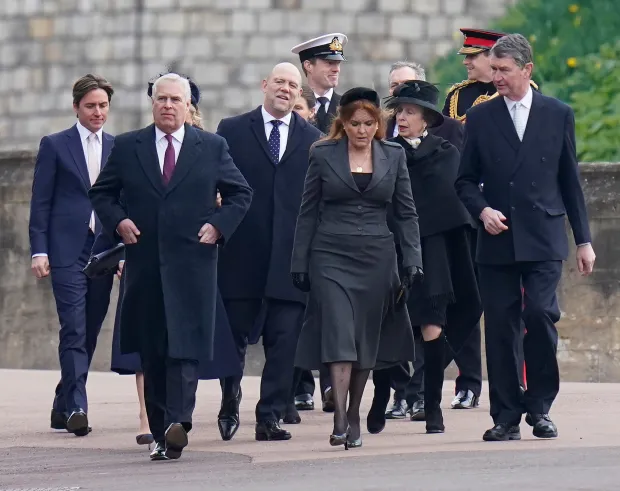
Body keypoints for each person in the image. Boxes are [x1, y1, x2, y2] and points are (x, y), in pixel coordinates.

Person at [88, 72, 252, 461]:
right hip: (145, 268)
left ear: (188, 106)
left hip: (192, 266)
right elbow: (102, 192)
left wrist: (217, 226)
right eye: (161, 99)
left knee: (184, 351)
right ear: (152, 103)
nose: (167, 105)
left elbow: (240, 193)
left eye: (175, 100)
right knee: (154, 351)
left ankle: (179, 422)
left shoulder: (211, 147)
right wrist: (118, 221)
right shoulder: (129, 147)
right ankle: (163, 433)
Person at [455, 34, 595, 442]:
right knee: (499, 327)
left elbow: (570, 180)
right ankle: (505, 416)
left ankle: (540, 406)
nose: (495, 77)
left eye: (503, 70)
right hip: (496, 238)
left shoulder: (557, 113)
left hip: (544, 234)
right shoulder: (480, 118)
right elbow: (464, 181)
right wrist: (481, 210)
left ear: (526, 70)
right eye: (493, 69)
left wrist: (584, 240)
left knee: (539, 315)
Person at [291, 87, 423, 449]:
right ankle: (337, 420)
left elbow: (406, 212)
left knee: (366, 338)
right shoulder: (323, 154)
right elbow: (307, 210)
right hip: (330, 254)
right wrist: (298, 261)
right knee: (338, 332)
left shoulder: (393, 155)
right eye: (354, 124)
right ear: (343, 124)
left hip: (378, 257)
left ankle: (354, 415)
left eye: (368, 123)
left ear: (378, 124)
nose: (362, 130)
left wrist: (413, 259)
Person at [215, 63, 323, 442]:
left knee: (285, 342)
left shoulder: (314, 139)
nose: (285, 89)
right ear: (264, 85)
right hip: (241, 255)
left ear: (299, 94)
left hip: (291, 260)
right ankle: (229, 398)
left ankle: (270, 416)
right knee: (232, 338)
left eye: (293, 85)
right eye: (279, 81)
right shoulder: (231, 130)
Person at [369, 61, 466, 428]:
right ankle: (384, 396)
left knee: (433, 324)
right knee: (388, 323)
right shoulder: (386, 152)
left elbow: (450, 204)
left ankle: (432, 405)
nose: (403, 117)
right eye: (399, 111)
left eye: (410, 112)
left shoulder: (445, 153)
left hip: (435, 252)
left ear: (426, 117)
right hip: (392, 249)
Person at [28, 74, 116, 437]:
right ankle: (77, 407)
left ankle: (62, 402)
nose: (98, 112)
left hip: (105, 250)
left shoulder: (117, 146)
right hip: (66, 250)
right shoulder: (55, 145)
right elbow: (40, 202)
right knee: (74, 328)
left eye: (103, 106)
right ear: (76, 107)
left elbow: (120, 202)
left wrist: (123, 254)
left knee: (91, 330)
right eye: (91, 106)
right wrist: (39, 249)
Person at [290, 32, 348, 413]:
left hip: (336, 226)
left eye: (338, 63)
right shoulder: (288, 107)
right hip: (297, 222)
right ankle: (298, 385)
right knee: (295, 307)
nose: (335, 69)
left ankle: (331, 385)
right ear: (308, 66)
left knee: (334, 309)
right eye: (328, 62)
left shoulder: (350, 111)